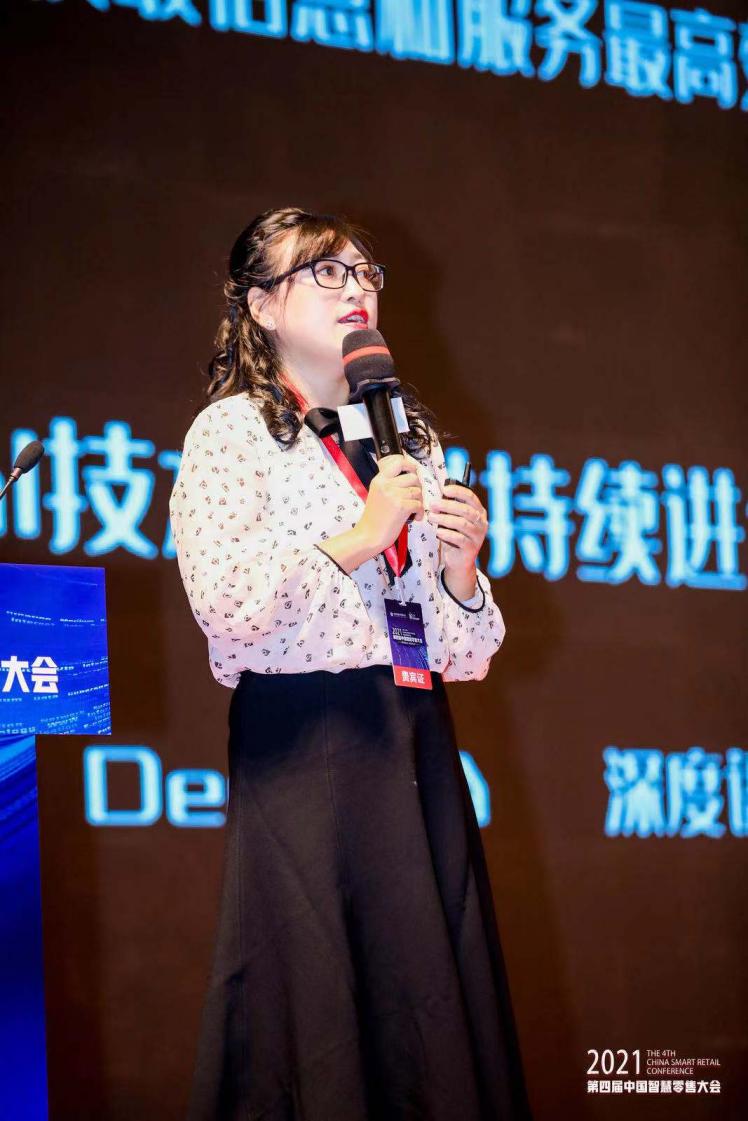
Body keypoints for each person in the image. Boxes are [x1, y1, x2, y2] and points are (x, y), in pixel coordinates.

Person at [169, 206, 533, 1121]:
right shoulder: (231, 434)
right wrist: (361, 537)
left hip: (414, 738)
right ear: (261, 305)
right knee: (317, 1013)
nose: (356, 289)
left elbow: (465, 655)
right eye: (326, 272)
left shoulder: (407, 439)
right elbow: (229, 609)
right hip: (307, 749)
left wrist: (459, 569)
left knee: (431, 1008)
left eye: (366, 274)